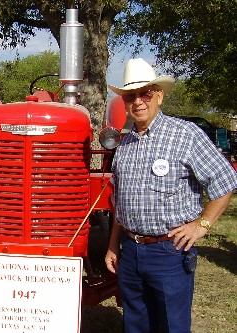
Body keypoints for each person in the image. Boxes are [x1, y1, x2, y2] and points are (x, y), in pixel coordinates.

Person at [105, 58, 237, 333]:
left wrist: (202, 225)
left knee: (171, 326)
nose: (139, 101)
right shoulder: (125, 145)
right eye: (131, 95)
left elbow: (225, 181)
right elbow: (120, 202)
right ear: (125, 102)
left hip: (169, 251)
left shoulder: (186, 135)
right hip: (130, 252)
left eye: (146, 93)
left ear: (160, 95)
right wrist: (113, 245)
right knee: (135, 324)